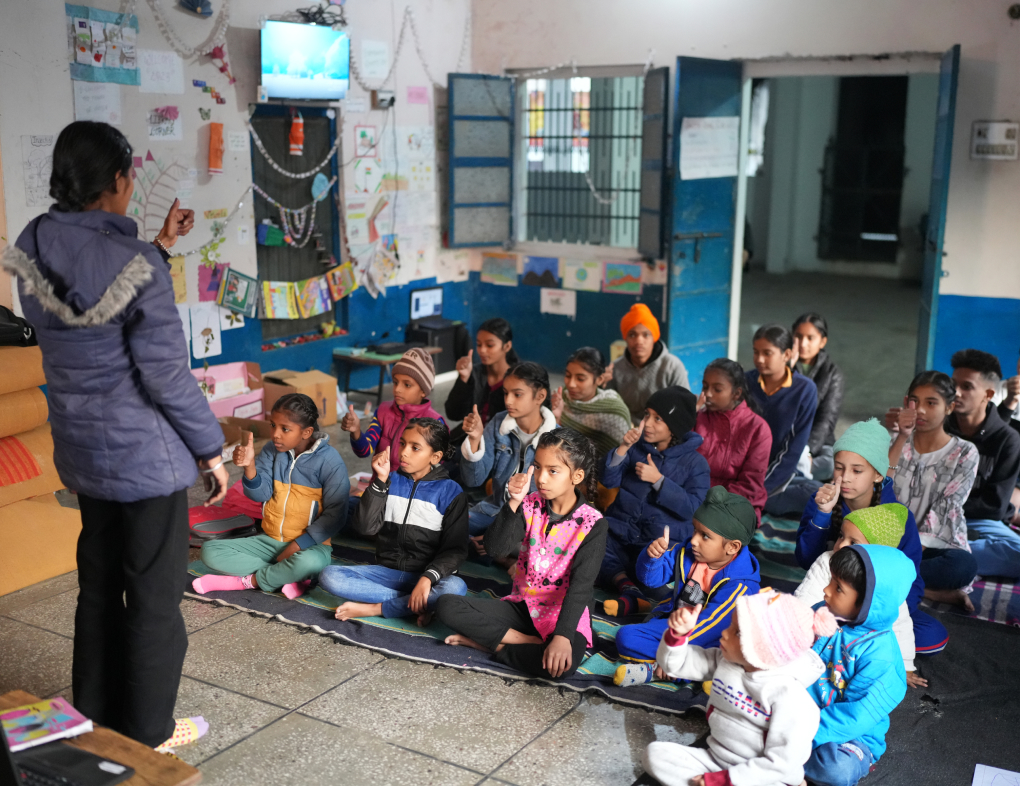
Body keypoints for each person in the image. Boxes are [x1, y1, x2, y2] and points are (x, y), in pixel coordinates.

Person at [0, 121, 229, 750]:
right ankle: (149, 734)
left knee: (99, 583)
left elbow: (84, 303)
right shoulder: (137, 265)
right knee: (155, 599)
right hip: (145, 459)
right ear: (121, 180)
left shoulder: (31, 244)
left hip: (82, 450)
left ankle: (94, 716)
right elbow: (164, 375)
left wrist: (155, 246)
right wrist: (211, 447)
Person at [436, 428, 608, 680]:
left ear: (577, 476)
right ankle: (524, 643)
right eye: (537, 467)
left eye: (553, 471)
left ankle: (493, 645)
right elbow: (495, 549)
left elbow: (581, 587)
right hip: (524, 606)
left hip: (562, 615)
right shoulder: (530, 503)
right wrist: (513, 501)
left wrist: (561, 637)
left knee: (562, 667)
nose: (542, 478)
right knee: (446, 605)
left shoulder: (593, 524)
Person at [642, 590, 834, 786]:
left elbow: (780, 764)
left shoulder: (794, 701)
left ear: (763, 649)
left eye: (737, 632)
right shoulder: (726, 661)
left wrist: (725, 781)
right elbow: (676, 664)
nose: (724, 634)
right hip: (716, 760)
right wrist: (678, 635)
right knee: (656, 755)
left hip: (762, 777)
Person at [795, 418, 945, 665]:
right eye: (839, 467)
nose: (846, 478)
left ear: (877, 474)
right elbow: (805, 560)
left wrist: (877, 616)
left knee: (933, 637)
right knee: (798, 617)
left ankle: (850, 642)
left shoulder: (895, 516)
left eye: (857, 470)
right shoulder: (821, 500)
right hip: (831, 596)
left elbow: (909, 576)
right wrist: (822, 514)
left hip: (878, 606)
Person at [195, 394, 349, 597]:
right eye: (273, 425)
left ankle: (249, 581)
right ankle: (288, 576)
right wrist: (250, 467)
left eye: (285, 429)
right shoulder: (271, 451)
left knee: (308, 563)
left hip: (312, 546)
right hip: (270, 541)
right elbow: (260, 495)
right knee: (210, 551)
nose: (275, 434)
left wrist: (296, 546)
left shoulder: (330, 462)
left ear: (307, 432)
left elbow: (335, 515)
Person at [319, 418, 468, 624]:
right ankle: (415, 605)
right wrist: (379, 481)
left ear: (435, 457)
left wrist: (427, 579)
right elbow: (365, 528)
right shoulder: (389, 480)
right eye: (402, 443)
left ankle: (376, 608)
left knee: (455, 588)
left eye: (415, 448)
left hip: (427, 577)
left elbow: (456, 550)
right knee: (329, 576)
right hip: (386, 573)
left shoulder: (452, 492)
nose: (404, 452)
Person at [613, 486, 761, 687]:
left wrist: (673, 654)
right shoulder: (687, 551)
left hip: (714, 637)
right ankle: (695, 672)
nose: (694, 540)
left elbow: (710, 625)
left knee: (731, 656)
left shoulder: (741, 586)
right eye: (695, 530)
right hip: (677, 628)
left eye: (705, 536)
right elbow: (650, 579)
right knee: (626, 637)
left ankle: (666, 670)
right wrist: (652, 558)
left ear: (732, 547)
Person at [804, 545, 913, 786]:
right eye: (831, 581)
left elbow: (855, 717)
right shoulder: (822, 612)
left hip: (849, 736)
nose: (826, 590)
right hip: (798, 711)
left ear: (866, 602)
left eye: (838, 588)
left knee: (838, 770)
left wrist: (796, 734)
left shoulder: (881, 657)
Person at [599, 387, 711, 617]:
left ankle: (638, 591)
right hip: (620, 534)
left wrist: (659, 481)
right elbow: (607, 480)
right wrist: (622, 449)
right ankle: (629, 589)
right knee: (591, 539)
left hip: (656, 545)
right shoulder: (636, 449)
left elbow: (693, 508)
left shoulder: (695, 463)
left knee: (659, 578)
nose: (647, 423)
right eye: (647, 415)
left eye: (658, 418)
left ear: (675, 427)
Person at [796, 503, 926, 688]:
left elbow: (900, 623)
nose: (841, 545)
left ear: (876, 552)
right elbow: (805, 602)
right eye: (841, 536)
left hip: (863, 641)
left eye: (853, 542)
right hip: (825, 629)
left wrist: (905, 666)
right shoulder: (827, 560)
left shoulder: (885, 581)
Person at [887, 371, 979, 610]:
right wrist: (900, 438)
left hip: (929, 547)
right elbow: (879, 485)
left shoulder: (964, 453)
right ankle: (928, 590)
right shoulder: (896, 441)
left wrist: (910, 551)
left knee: (963, 566)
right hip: (887, 539)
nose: (921, 411)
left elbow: (948, 505)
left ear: (949, 407)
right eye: (915, 401)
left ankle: (880, 577)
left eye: (931, 403)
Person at [460, 361, 557, 552]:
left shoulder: (556, 440)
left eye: (517, 394)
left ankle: (499, 550)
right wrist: (474, 439)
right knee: (449, 526)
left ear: (540, 396)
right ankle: (496, 550)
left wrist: (497, 536)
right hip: (493, 510)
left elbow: (552, 505)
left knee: (545, 545)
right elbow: (473, 480)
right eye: (506, 393)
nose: (508, 401)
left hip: (529, 524)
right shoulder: (498, 423)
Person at [945, 350, 1020, 579]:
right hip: (932, 514)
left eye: (967, 387)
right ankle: (941, 554)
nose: (955, 393)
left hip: (979, 519)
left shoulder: (1007, 439)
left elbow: (995, 506)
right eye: (953, 384)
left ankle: (936, 553)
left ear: (988, 394)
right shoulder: (938, 426)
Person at [746, 324, 819, 518]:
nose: (759, 359)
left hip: (780, 474)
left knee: (820, 495)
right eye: (756, 352)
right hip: (744, 474)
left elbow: (791, 451)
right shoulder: (744, 383)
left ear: (786, 355)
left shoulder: (804, 390)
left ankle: (756, 502)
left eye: (767, 353)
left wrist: (759, 491)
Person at [340, 347, 444, 472]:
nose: (398, 389)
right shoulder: (383, 412)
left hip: (415, 490)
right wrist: (356, 432)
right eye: (395, 382)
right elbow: (365, 450)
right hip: (380, 487)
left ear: (423, 391)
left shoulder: (435, 423)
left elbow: (438, 468)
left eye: (407, 385)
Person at [695, 358, 773, 524]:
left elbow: (749, 485)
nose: (708, 394)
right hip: (694, 497)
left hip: (735, 504)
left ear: (736, 393)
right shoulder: (697, 418)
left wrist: (707, 502)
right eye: (705, 387)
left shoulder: (758, 429)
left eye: (717, 389)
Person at [606, 303, 689, 422]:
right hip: (626, 431)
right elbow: (609, 409)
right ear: (625, 338)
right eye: (632, 335)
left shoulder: (672, 367)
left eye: (646, 335)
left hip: (664, 431)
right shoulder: (616, 369)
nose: (639, 341)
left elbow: (683, 408)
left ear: (654, 338)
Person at [549, 346, 631, 459]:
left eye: (580, 379)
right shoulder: (560, 398)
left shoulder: (615, 411)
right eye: (568, 376)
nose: (571, 384)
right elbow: (549, 445)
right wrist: (555, 418)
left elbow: (619, 458)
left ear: (600, 379)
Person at [792, 312, 845, 481]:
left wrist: (806, 450)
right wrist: (786, 368)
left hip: (817, 443)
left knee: (830, 465)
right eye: (798, 337)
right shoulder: (782, 367)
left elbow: (826, 420)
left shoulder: (832, 374)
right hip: (785, 439)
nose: (803, 344)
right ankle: (797, 471)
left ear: (823, 341)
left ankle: (790, 471)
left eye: (810, 338)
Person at [445, 317, 518, 425]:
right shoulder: (474, 373)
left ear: (507, 346)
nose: (482, 350)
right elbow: (453, 414)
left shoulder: (520, 378)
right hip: (472, 438)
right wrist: (463, 379)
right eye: (479, 344)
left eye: (490, 345)